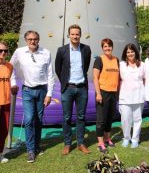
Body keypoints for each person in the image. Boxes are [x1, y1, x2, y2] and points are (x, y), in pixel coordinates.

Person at [10, 30, 55, 163]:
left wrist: (49, 94)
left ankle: (36, 146)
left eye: (35, 39)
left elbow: (50, 74)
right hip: (27, 90)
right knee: (29, 119)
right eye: (30, 39)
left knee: (38, 119)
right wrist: (13, 82)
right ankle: (30, 150)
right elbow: (10, 67)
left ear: (38, 39)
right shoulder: (19, 52)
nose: (32, 41)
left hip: (42, 90)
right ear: (26, 40)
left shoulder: (46, 53)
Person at [55, 24, 91, 155]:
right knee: (66, 118)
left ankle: (81, 143)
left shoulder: (86, 49)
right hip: (68, 89)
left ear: (80, 35)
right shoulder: (61, 50)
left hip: (82, 89)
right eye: (73, 34)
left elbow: (85, 67)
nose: (75, 36)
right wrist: (65, 82)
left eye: (77, 34)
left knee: (81, 117)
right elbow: (58, 69)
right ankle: (67, 144)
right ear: (69, 35)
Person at [93, 38, 119, 153]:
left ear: (112, 47)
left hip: (113, 93)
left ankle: (107, 138)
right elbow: (95, 78)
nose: (107, 48)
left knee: (109, 118)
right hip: (102, 93)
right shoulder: (99, 59)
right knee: (101, 119)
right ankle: (100, 143)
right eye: (105, 46)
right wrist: (98, 94)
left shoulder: (116, 60)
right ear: (102, 48)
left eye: (109, 46)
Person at [119, 43, 145, 148]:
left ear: (136, 52)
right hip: (125, 97)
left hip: (138, 96)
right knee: (125, 119)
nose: (130, 54)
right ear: (125, 53)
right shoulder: (121, 65)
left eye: (132, 51)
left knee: (137, 119)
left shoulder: (142, 65)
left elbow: (145, 79)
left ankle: (135, 139)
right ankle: (126, 138)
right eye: (128, 52)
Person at [0, 41, 13, 163]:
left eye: (5, 51)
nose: (3, 53)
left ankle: (0, 154)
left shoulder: (9, 66)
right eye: (0, 50)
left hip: (6, 102)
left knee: (4, 130)